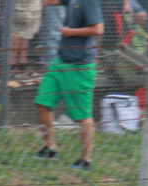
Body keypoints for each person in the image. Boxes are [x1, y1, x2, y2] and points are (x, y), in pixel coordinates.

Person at [33, 0, 104, 170]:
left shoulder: (89, 2)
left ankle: (86, 159)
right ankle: (50, 148)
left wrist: (70, 32)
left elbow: (98, 29)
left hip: (80, 66)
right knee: (43, 102)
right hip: (61, 61)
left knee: (82, 116)